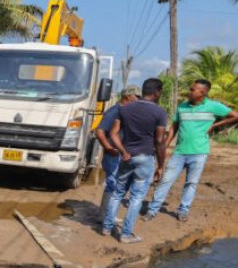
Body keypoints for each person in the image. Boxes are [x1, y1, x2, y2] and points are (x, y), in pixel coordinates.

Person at [143, 79, 238, 222]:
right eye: (190, 88)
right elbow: (174, 127)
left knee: (191, 183)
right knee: (166, 180)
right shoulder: (182, 106)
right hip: (179, 152)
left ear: (203, 92)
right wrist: (166, 145)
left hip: (199, 153)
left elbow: (235, 116)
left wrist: (215, 125)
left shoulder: (213, 106)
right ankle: (152, 209)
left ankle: (183, 210)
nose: (190, 91)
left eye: (193, 89)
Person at [103, 78, 169, 244]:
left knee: (118, 193)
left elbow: (113, 134)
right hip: (145, 158)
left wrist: (123, 151)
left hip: (127, 158)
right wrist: (161, 165)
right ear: (157, 92)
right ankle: (126, 234)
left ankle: (106, 227)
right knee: (137, 197)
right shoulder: (160, 112)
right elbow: (159, 141)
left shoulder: (125, 108)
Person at [94, 85, 141, 222]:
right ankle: (104, 216)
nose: (138, 99)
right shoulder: (115, 111)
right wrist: (109, 148)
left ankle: (107, 215)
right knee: (113, 184)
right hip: (113, 154)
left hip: (119, 153)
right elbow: (99, 132)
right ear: (128, 96)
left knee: (117, 184)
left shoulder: (125, 111)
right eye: (136, 96)